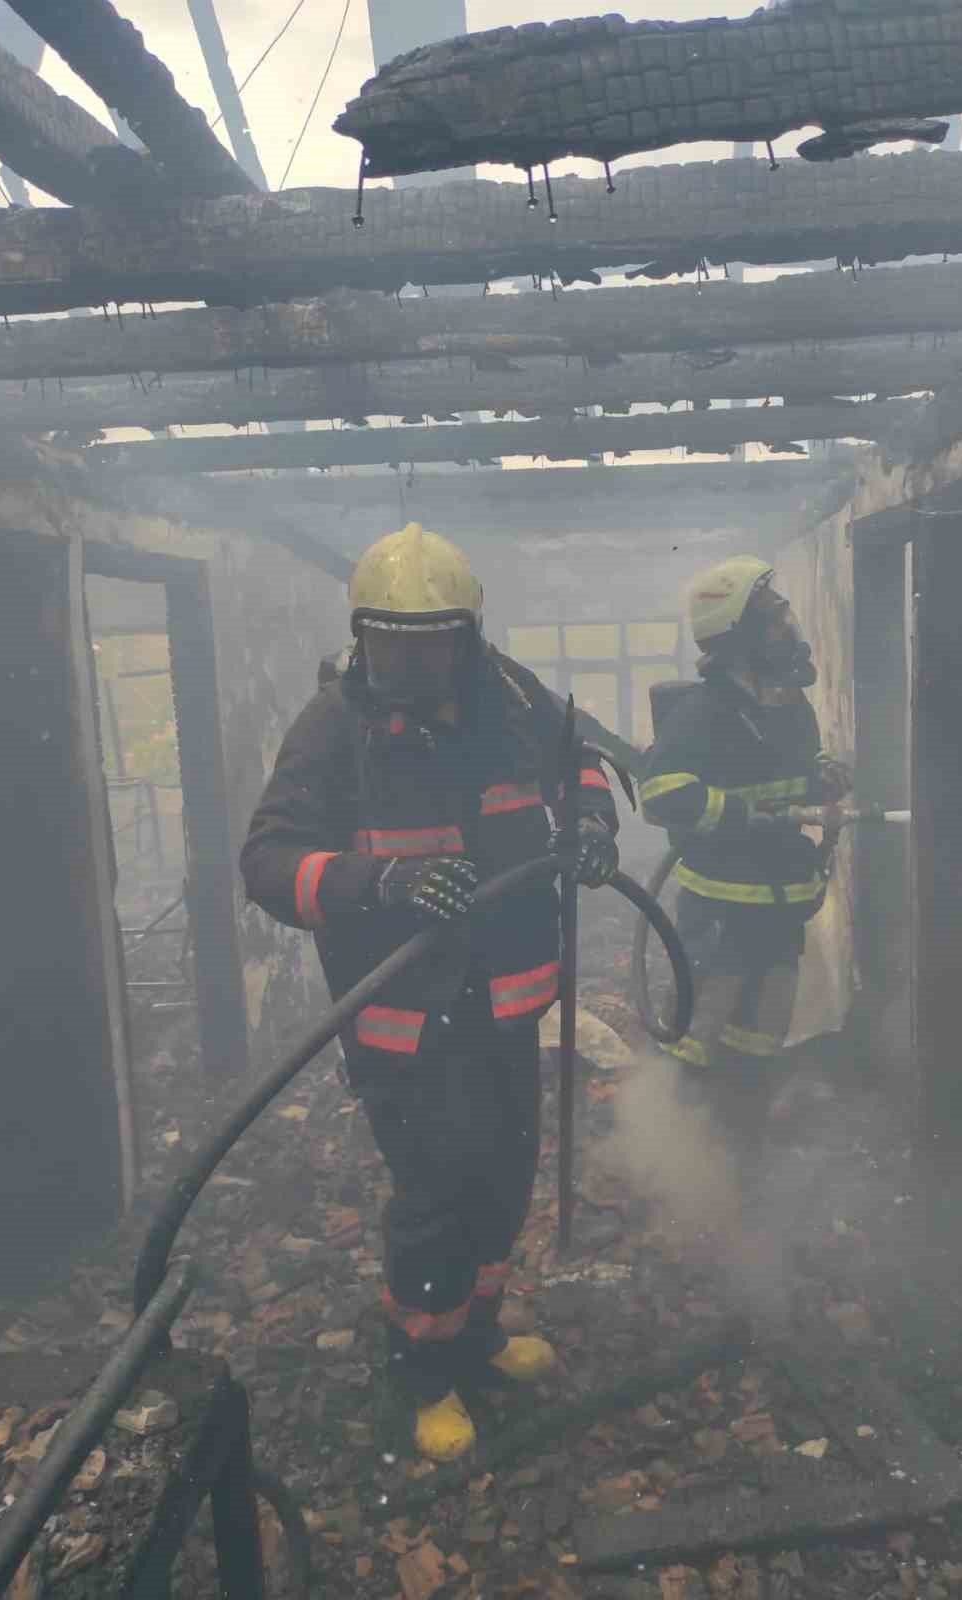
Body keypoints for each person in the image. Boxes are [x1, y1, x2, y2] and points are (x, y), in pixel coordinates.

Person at [240, 523, 619, 1462]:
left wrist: (596, 824)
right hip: (405, 1015)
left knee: (503, 1176)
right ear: (363, 635)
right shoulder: (334, 729)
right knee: (438, 1188)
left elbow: (578, 764)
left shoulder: (513, 697)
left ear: (467, 633)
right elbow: (265, 861)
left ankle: (478, 1337)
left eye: (433, 637)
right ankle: (423, 1373)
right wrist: (380, 884)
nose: (411, 658)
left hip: (507, 1000)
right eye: (391, 639)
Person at [638, 554, 850, 1102]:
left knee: (760, 1042)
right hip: (722, 913)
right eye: (772, 619)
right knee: (695, 1041)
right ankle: (672, 1148)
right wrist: (738, 815)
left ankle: (739, 1148)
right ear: (739, 638)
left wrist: (820, 777)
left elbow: (791, 774)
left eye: (784, 615)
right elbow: (660, 794)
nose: (787, 628)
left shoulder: (788, 706)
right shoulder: (706, 713)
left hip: (780, 907)